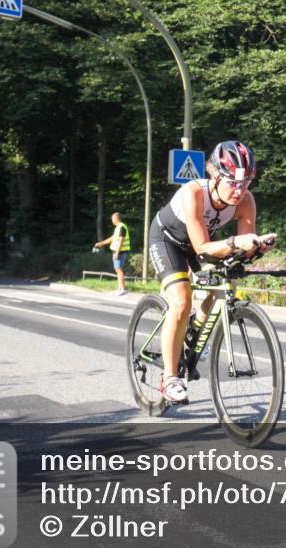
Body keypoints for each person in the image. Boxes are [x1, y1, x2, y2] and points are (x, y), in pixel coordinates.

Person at [148, 140, 276, 403]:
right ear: (215, 176)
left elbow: (241, 251)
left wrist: (257, 246)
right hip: (167, 241)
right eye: (233, 182)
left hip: (203, 242)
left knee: (229, 281)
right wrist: (236, 242)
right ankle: (170, 377)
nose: (239, 190)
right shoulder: (193, 192)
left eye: (246, 182)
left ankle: (195, 329)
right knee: (181, 301)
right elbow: (202, 248)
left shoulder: (246, 201)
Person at [93, 212, 131, 296]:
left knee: (118, 269)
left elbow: (121, 241)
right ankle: (120, 288)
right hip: (118, 252)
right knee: (117, 269)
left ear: (116, 218)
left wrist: (117, 253)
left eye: (112, 218)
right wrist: (101, 243)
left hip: (120, 252)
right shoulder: (118, 228)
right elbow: (112, 238)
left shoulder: (122, 227)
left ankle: (122, 289)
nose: (112, 220)